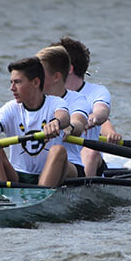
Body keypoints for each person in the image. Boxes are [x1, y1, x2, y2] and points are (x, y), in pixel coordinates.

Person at [0, 57, 72, 188]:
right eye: (11, 82)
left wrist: (56, 122)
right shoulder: (11, 108)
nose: (11, 88)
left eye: (17, 82)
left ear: (36, 82)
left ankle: (41, 194)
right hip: (17, 175)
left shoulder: (55, 103)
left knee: (58, 150)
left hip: (50, 174)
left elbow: (64, 117)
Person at [54, 36, 121, 176]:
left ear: (69, 68)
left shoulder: (97, 91)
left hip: (88, 159)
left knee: (89, 151)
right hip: (58, 157)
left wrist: (93, 118)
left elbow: (102, 112)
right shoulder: (48, 92)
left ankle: (82, 192)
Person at [37, 45, 92, 179]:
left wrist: (69, 126)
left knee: (57, 152)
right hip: (33, 165)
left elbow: (78, 122)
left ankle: (38, 194)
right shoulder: (29, 99)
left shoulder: (77, 99)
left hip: (70, 166)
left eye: (39, 73)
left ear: (56, 77)